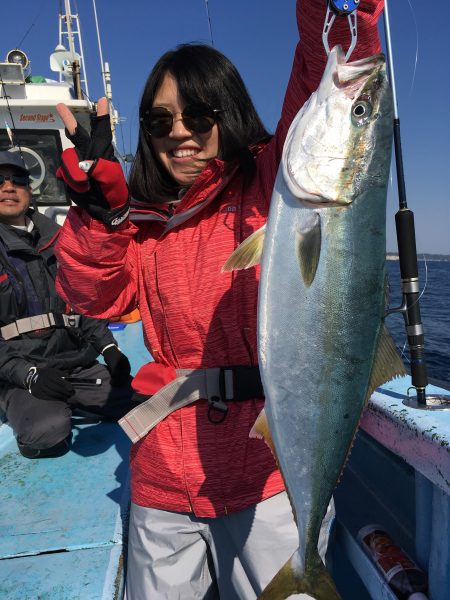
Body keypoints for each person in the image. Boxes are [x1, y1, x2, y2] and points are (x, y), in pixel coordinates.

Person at [54, 1, 383, 597]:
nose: (179, 133)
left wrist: (342, 15)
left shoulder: (270, 188)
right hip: (161, 481)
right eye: (159, 123)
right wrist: (97, 216)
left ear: (226, 114)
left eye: (198, 116)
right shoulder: (142, 223)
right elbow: (93, 296)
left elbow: (333, 82)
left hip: (267, 480)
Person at [0, 149, 136, 459]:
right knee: (48, 432)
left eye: (18, 179)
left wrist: (109, 349)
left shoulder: (60, 238)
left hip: (76, 364)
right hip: (20, 373)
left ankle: (74, 400)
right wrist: (28, 375)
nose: (9, 187)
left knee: (140, 403)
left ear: (29, 189)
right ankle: (30, 406)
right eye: (0, 180)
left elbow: (83, 304)